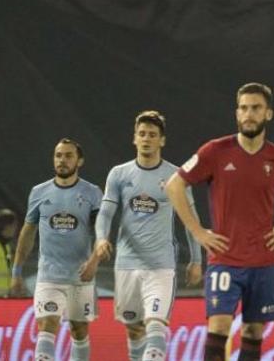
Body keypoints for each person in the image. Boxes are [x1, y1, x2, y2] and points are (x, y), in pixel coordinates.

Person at [166, 82, 274, 360]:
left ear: (268, 114)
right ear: (236, 113)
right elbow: (174, 185)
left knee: (254, 332)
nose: (248, 114)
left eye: (255, 108)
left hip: (264, 261)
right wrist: (198, 232)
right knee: (218, 327)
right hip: (224, 259)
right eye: (243, 108)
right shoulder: (215, 151)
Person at [79, 111, 203, 361]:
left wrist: (197, 259)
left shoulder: (175, 177)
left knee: (156, 323)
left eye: (152, 135)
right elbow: (105, 213)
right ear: (134, 138)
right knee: (134, 329)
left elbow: (191, 221)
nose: (147, 139)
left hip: (161, 264)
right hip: (126, 264)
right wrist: (101, 239)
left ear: (162, 141)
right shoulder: (119, 174)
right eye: (142, 134)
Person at [10, 138, 102, 361]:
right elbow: (28, 232)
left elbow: (103, 233)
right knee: (46, 325)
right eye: (58, 155)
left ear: (79, 161)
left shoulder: (92, 193)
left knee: (79, 331)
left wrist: (93, 263)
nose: (62, 160)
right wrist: (16, 272)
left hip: (80, 276)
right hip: (49, 276)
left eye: (68, 155)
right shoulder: (39, 192)